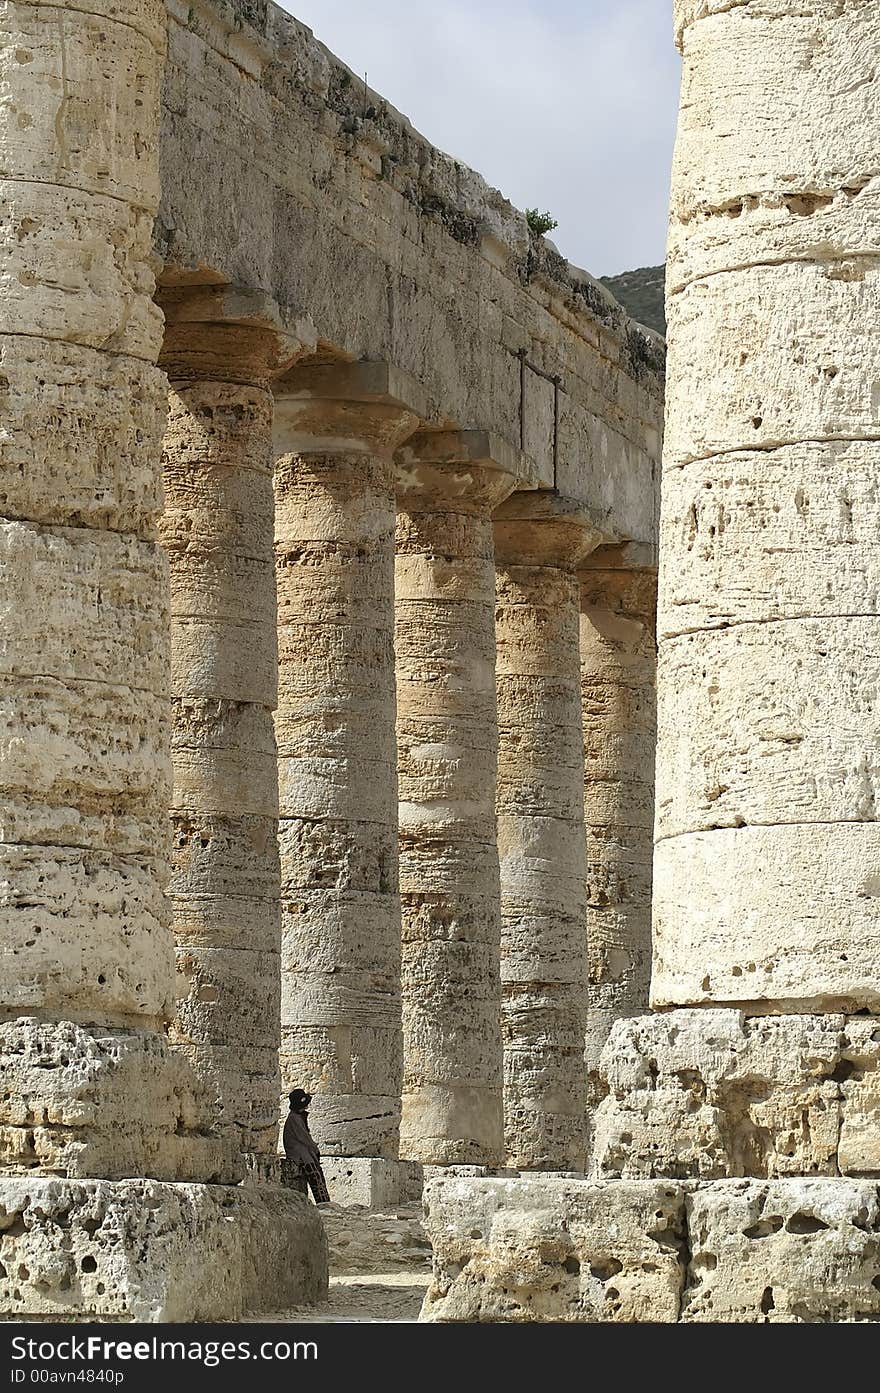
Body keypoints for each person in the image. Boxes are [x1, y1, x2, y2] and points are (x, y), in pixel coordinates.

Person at [283, 1089, 330, 1205]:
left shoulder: (297, 1117)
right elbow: (304, 1137)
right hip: (299, 1155)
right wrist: (315, 1148)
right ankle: (323, 1202)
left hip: (303, 1152)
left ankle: (325, 1202)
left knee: (318, 1175)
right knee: (314, 1175)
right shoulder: (294, 1118)